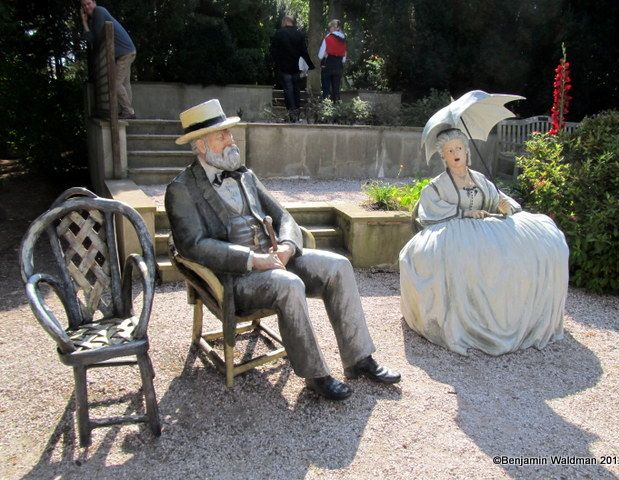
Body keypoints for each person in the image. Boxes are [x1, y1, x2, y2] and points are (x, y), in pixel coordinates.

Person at [165, 99, 400, 400]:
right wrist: (253, 260)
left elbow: (283, 216)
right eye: (221, 135)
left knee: (338, 266)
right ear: (200, 144)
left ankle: (359, 359)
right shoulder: (182, 189)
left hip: (277, 258)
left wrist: (288, 247)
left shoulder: (244, 175)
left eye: (229, 133)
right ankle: (315, 375)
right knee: (288, 284)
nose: (231, 140)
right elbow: (193, 245)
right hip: (235, 277)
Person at [399, 128, 568, 356]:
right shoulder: (437, 186)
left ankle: (511, 315)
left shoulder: (480, 179)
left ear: (467, 151)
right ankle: (468, 319)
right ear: (443, 157)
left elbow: (498, 198)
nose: (456, 153)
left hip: (487, 229)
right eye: (450, 150)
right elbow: (429, 209)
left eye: (459, 148)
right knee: (460, 261)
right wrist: (463, 212)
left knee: (525, 249)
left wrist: (505, 204)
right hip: (453, 232)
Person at [80, 0, 137, 119]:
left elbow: (93, 40)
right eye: (84, 5)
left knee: (115, 84)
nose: (87, 6)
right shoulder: (97, 15)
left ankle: (129, 112)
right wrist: (86, 21)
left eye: (88, 3)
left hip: (124, 53)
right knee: (125, 84)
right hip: (128, 51)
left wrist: (84, 22)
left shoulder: (98, 12)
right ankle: (128, 111)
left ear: (94, 3)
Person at [270, 15, 315, 123]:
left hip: (284, 66)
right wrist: (310, 65)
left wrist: (273, 64)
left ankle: (291, 113)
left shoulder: (279, 33)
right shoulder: (299, 34)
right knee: (296, 89)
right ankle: (297, 113)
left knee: (288, 90)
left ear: (285, 21)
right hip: (295, 67)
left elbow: (273, 51)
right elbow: (304, 51)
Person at [317, 19, 347, 101]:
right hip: (338, 65)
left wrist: (326, 54)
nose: (329, 29)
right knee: (336, 89)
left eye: (330, 27)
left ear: (333, 28)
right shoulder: (343, 40)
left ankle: (326, 107)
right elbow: (344, 58)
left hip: (328, 64)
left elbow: (320, 55)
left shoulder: (328, 38)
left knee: (326, 87)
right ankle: (337, 107)